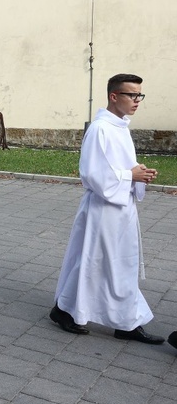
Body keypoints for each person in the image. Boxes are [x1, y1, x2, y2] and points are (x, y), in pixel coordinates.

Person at [49, 73, 164, 345]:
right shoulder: (101, 128)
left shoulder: (120, 126)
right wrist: (129, 176)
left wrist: (139, 173)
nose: (137, 101)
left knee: (114, 263)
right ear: (114, 96)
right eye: (131, 95)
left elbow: (118, 166)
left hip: (121, 207)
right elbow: (92, 174)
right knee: (96, 261)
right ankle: (77, 312)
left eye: (139, 95)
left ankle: (113, 318)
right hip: (103, 208)